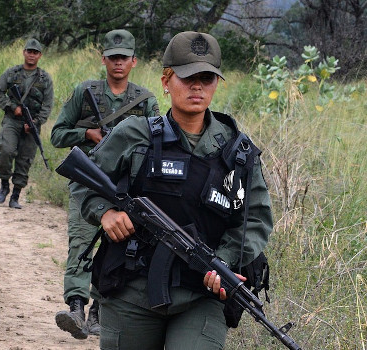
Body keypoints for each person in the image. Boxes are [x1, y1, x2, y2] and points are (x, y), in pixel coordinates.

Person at [69, 31, 273, 349]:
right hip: (131, 290)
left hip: (201, 296)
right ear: (166, 81)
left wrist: (223, 262)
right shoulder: (135, 135)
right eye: (187, 77)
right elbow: (83, 180)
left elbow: (256, 219)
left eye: (207, 78)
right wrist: (105, 211)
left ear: (216, 83)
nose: (197, 86)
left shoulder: (237, 152)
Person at [50, 29, 159, 340]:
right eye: (113, 58)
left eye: (124, 58)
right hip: (87, 183)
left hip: (125, 187)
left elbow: (158, 142)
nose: (118, 63)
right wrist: (87, 135)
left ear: (134, 61)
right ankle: (75, 307)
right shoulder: (86, 93)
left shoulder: (145, 101)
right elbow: (57, 134)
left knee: (117, 245)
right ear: (104, 60)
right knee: (81, 242)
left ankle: (99, 310)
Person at [0, 38, 54, 209]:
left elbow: (47, 105)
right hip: (12, 120)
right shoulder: (12, 73)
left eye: (35, 52)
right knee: (6, 150)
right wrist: (12, 107)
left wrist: (35, 122)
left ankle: (15, 196)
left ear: (40, 55)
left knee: (24, 160)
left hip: (31, 124)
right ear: (24, 52)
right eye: (29, 51)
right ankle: (4, 184)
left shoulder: (45, 78)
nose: (31, 55)